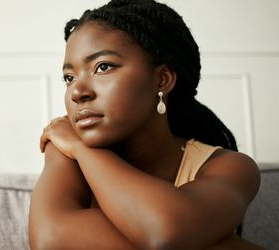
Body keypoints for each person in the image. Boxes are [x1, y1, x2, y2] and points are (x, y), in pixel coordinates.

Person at [29, 0, 262, 249]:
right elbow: (50, 238)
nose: (77, 92)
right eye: (69, 77)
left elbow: (165, 231)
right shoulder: (64, 153)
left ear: (162, 80)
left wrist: (81, 148)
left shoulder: (229, 167)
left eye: (103, 67)